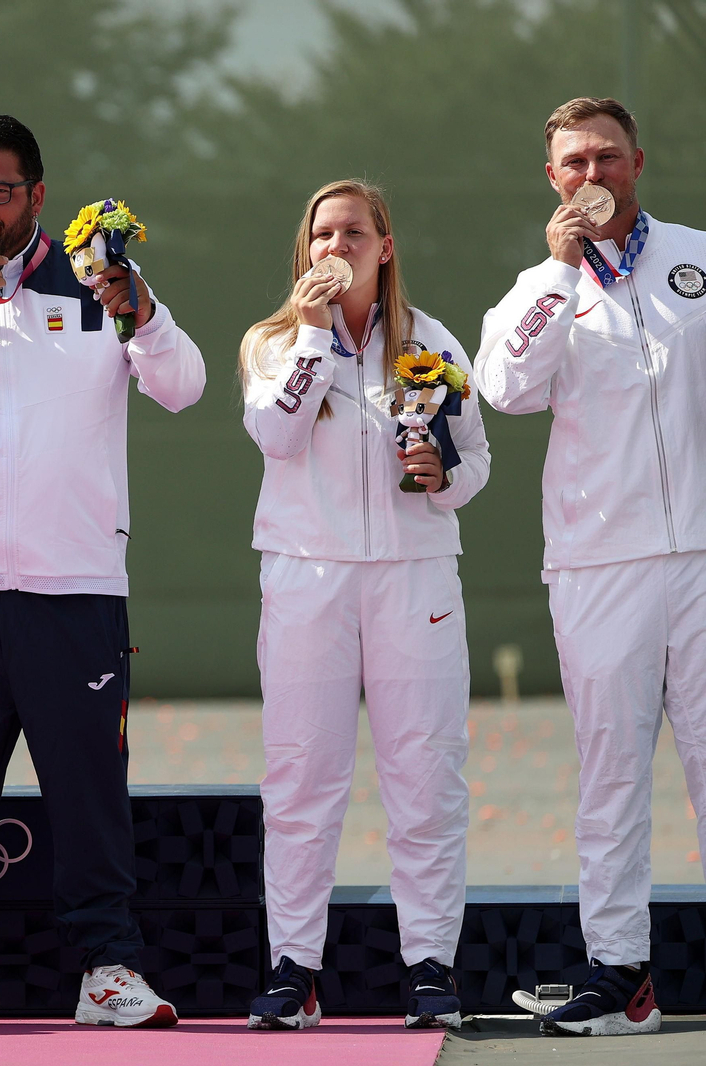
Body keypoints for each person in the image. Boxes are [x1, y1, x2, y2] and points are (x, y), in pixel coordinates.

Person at [0, 114, 204, 1029]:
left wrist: (141, 312)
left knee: (89, 791)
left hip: (76, 583)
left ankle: (108, 969)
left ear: (36, 197)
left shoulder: (99, 281)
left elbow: (183, 386)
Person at [478, 97, 706, 1038]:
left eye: (607, 157)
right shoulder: (537, 288)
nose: (592, 176)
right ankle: (621, 974)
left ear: (636, 163)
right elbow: (503, 390)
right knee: (611, 775)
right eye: (574, 163)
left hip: (703, 555)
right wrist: (558, 273)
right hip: (599, 563)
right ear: (552, 179)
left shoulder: (696, 257)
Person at [239, 180, 490, 1032]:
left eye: (354, 232)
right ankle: (293, 968)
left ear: (385, 247)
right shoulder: (273, 341)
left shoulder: (433, 342)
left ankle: (431, 967)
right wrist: (314, 334)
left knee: (426, 774)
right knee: (300, 777)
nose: (336, 246)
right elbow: (276, 436)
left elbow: (476, 458)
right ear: (304, 248)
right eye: (322, 233)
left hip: (415, 576)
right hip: (306, 574)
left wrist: (445, 477)